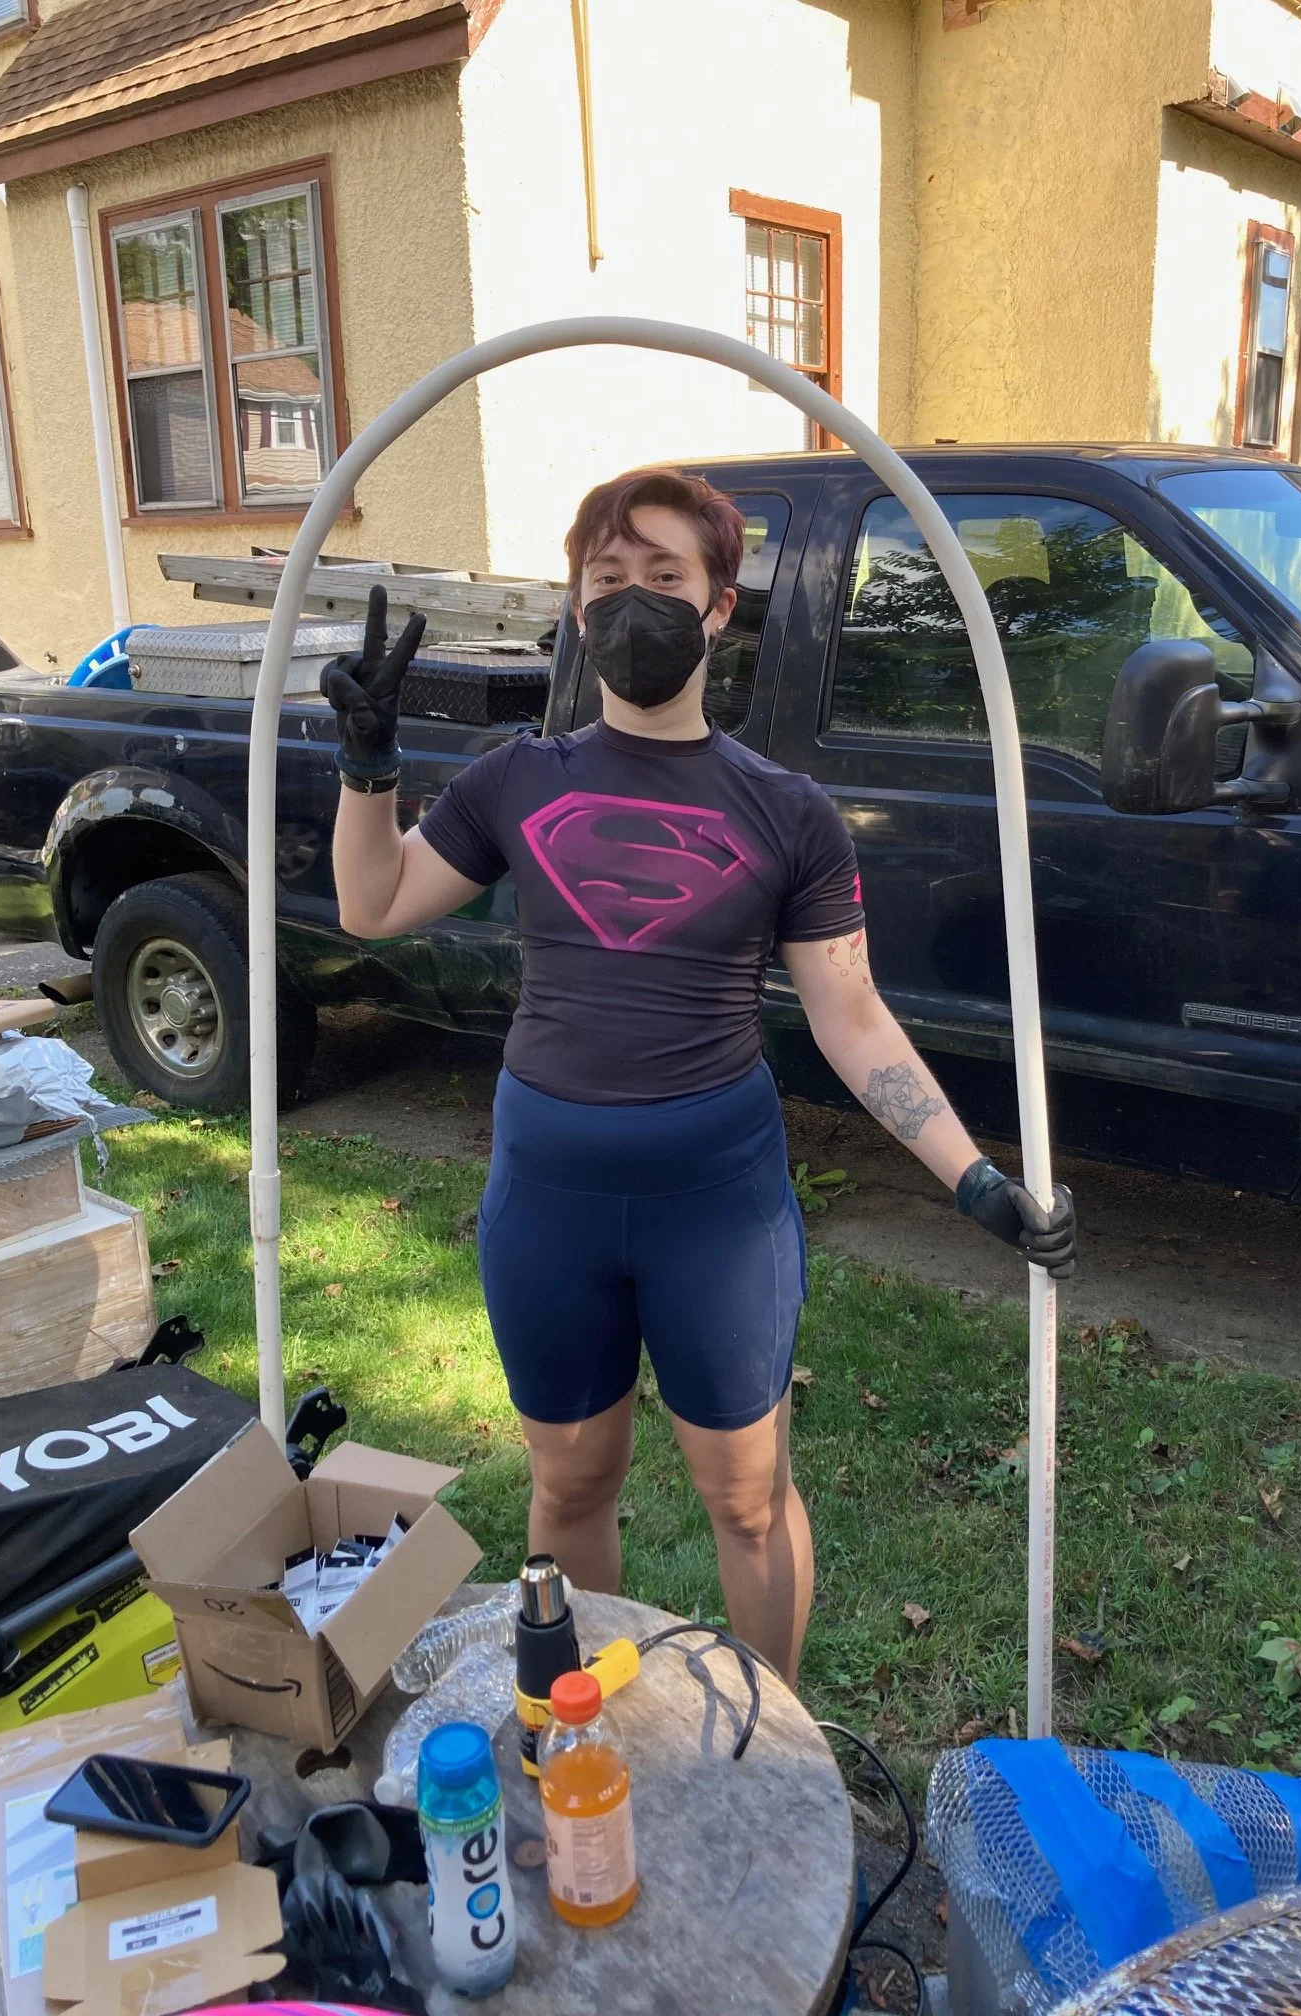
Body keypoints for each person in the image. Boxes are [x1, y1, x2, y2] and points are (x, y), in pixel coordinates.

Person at [324, 467, 1076, 1684]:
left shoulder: (788, 812)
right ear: (577, 609)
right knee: (570, 1482)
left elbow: (852, 1015)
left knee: (748, 1498)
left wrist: (975, 1180)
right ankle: (585, 1719)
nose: (635, 600)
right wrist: (368, 769)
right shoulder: (518, 780)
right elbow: (374, 902)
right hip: (549, 1199)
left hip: (714, 1206)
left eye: (665, 575)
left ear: (721, 606)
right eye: (608, 577)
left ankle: (772, 1736)